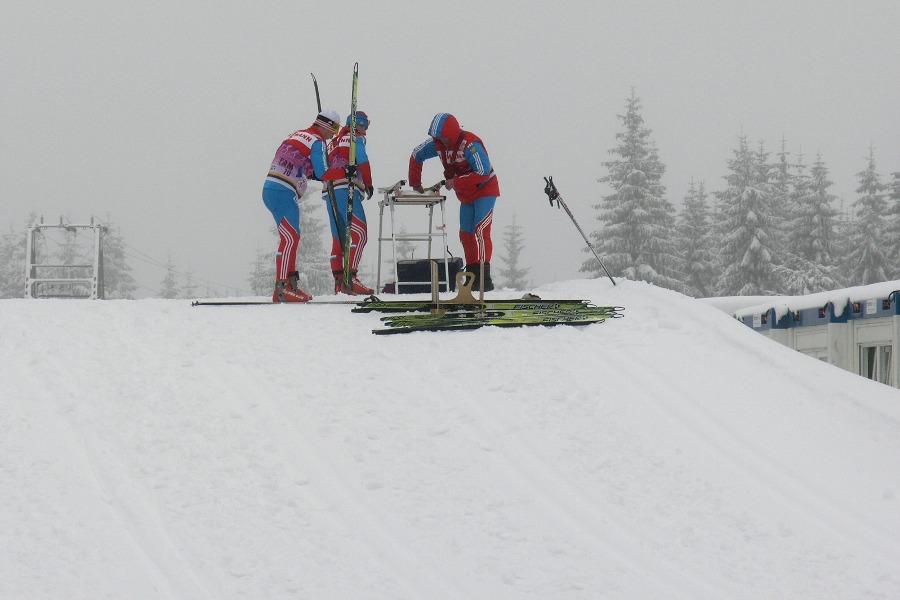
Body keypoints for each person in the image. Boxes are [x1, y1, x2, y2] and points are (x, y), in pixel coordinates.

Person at [408, 112, 500, 291]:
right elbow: (416, 154)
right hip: (466, 195)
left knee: (481, 231)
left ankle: (484, 277)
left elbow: (483, 171)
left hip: (485, 190)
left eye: (444, 138)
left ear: (452, 133)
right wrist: (415, 182)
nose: (442, 142)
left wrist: (455, 182)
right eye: (439, 139)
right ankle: (473, 275)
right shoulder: (437, 144)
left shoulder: (470, 145)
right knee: (465, 234)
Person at [262, 110, 340, 302]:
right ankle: (281, 288)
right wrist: (344, 171)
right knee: (290, 238)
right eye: (334, 129)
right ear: (327, 125)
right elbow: (323, 173)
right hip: (283, 190)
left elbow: (305, 166)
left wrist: (316, 172)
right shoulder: (317, 141)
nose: (334, 135)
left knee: (292, 237)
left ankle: (290, 285)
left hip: (274, 187)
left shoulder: (298, 134)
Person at [322, 111, 375, 295]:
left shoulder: (331, 143)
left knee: (339, 238)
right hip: (346, 188)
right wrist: (368, 184)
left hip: (329, 192)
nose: (366, 132)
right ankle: (350, 278)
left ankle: (339, 281)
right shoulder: (355, 138)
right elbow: (362, 159)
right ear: (358, 125)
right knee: (360, 234)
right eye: (365, 127)